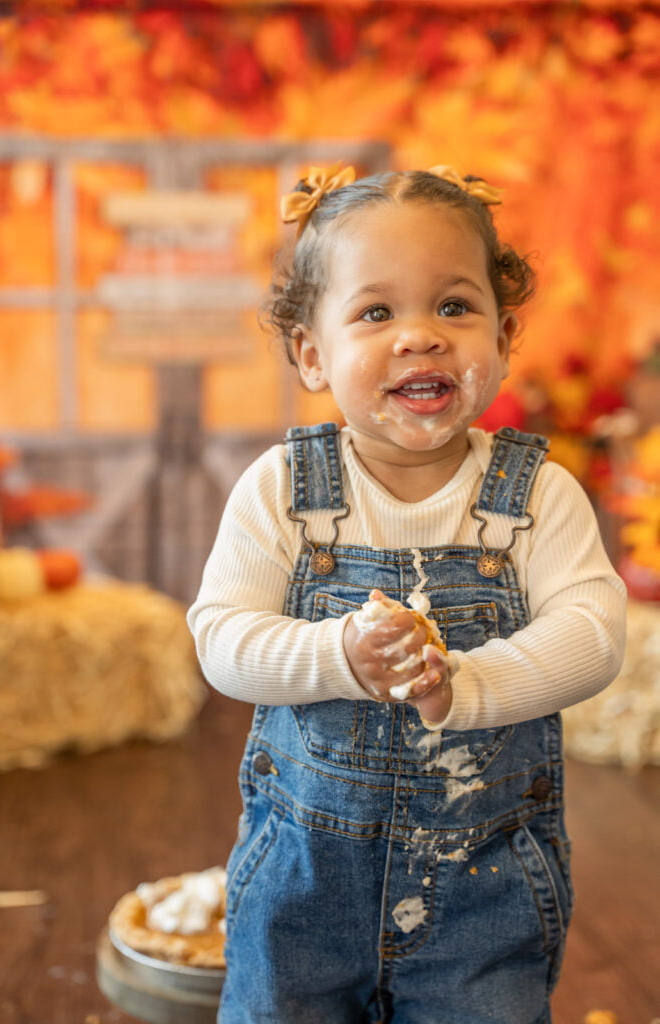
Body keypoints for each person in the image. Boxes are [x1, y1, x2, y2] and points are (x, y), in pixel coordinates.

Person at [187, 163, 626, 1024]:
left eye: (454, 306)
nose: (420, 336)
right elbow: (221, 640)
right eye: (376, 313)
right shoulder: (283, 490)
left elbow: (593, 633)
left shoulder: (537, 496)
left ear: (503, 335)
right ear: (312, 353)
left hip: (483, 883)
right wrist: (337, 656)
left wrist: (465, 684)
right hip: (304, 887)